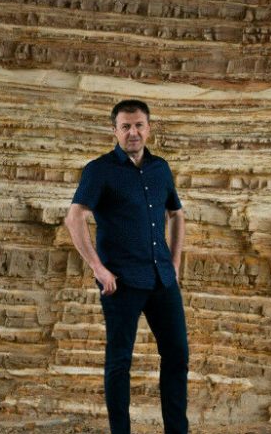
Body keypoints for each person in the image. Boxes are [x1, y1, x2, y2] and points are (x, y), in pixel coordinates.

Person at [64, 99, 189, 434]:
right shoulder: (99, 170)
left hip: (162, 279)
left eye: (138, 125)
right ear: (114, 130)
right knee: (120, 363)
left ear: (148, 128)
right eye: (125, 126)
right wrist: (98, 268)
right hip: (121, 282)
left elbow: (176, 214)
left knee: (177, 356)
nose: (133, 132)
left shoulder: (161, 168)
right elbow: (74, 218)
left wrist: (174, 262)